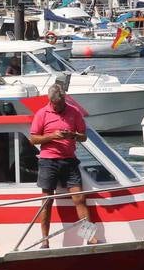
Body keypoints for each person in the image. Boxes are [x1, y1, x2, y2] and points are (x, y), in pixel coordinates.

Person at [27, 83, 96, 245]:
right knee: (47, 200)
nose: (56, 107)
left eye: (58, 104)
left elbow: (83, 137)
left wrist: (72, 135)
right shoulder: (42, 113)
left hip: (69, 160)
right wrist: (52, 136)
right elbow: (33, 139)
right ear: (50, 100)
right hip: (48, 161)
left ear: (64, 99)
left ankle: (89, 237)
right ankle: (45, 240)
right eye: (53, 104)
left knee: (80, 198)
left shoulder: (74, 112)